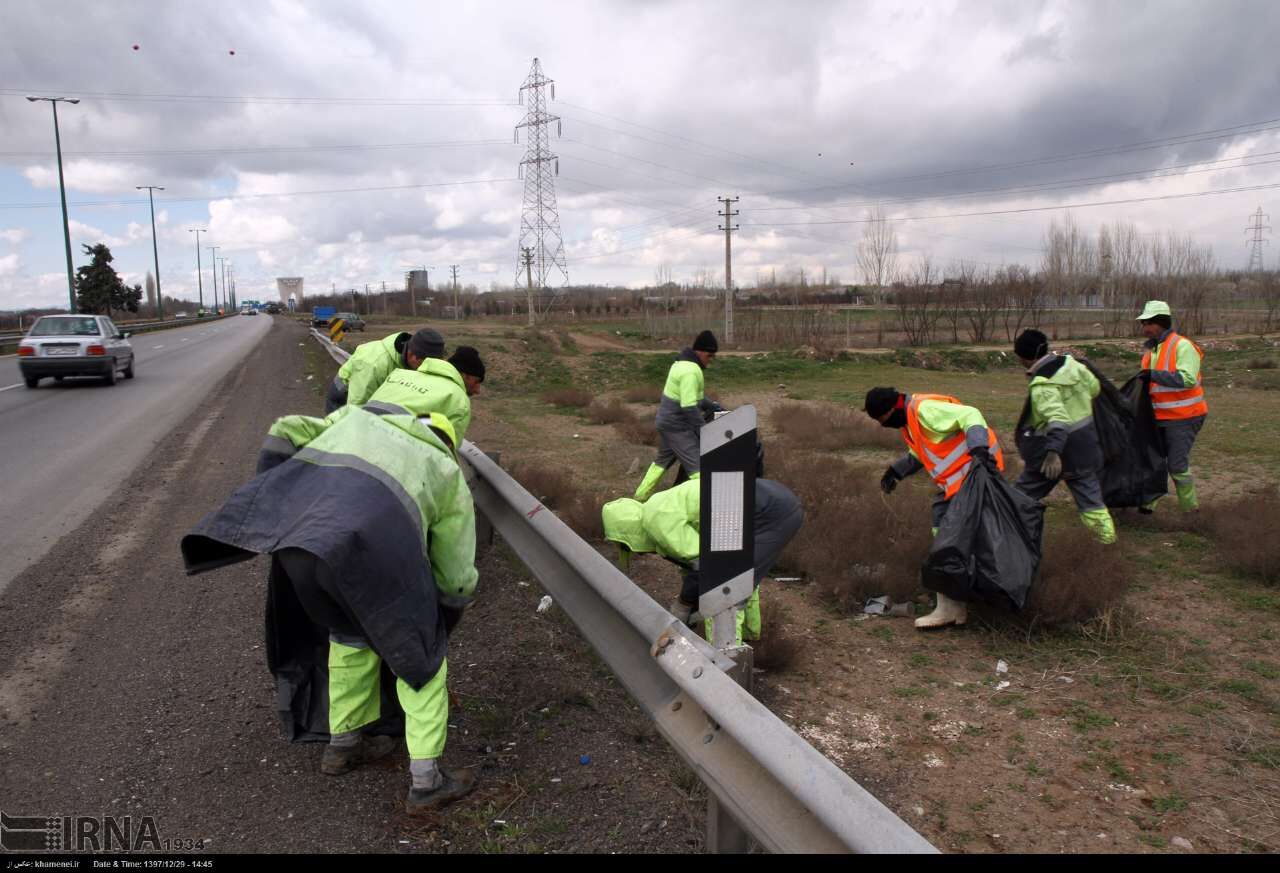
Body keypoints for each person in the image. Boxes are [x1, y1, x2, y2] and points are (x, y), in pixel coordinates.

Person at [181, 396, 478, 814]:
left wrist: (274, 501)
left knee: (350, 636)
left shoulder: (353, 420)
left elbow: (284, 424)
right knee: (423, 662)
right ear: (447, 443)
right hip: (369, 552)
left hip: (303, 547)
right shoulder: (444, 469)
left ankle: (344, 746)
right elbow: (456, 570)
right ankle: (427, 782)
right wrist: (445, 617)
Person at [864, 386, 1005, 629]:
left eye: (882, 420)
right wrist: (896, 471)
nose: (882, 425)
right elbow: (922, 451)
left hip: (976, 478)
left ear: (892, 409)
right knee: (948, 537)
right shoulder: (910, 420)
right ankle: (954, 605)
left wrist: (980, 451)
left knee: (952, 542)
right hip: (960, 485)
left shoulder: (925, 410)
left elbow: (971, 414)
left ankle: (955, 606)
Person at [602, 477, 803, 646]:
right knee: (740, 573)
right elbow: (698, 561)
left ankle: (725, 660)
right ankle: (750, 637)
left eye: (628, 548)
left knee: (724, 586)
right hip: (774, 501)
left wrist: (683, 604)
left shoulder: (657, 520)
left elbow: (710, 566)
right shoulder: (659, 508)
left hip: (769, 514)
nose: (640, 554)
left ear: (630, 535)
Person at [1012, 329, 1116, 544]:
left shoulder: (1043, 385)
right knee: (1091, 503)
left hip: (1054, 453)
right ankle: (1106, 542)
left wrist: (1053, 454)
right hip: (1085, 447)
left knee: (1019, 496)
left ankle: (1009, 534)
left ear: (1024, 357)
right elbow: (1095, 389)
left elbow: (1057, 421)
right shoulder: (1072, 365)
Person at [1136, 300, 1208, 512]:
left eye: (1148, 323)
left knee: (1176, 466)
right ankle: (1148, 505)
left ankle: (1190, 510)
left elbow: (1188, 379)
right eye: (1143, 323)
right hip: (1160, 417)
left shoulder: (1183, 346)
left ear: (1161, 323)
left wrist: (1153, 375)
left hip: (1185, 417)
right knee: (1155, 462)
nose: (1145, 328)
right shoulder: (1151, 350)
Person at [634, 330, 722, 501]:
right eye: (710, 355)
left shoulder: (683, 363)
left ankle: (638, 498)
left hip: (667, 423)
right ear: (701, 351)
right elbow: (689, 407)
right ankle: (702, 507)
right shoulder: (690, 371)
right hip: (676, 427)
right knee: (699, 469)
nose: (710, 361)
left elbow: (696, 398)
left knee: (661, 462)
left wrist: (714, 406)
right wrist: (704, 432)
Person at [362, 346, 480, 445]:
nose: (478, 390)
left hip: (355, 435)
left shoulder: (399, 374)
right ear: (465, 376)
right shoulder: (458, 399)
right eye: (476, 382)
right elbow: (447, 451)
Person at [324, 327, 446, 413]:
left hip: (372, 393)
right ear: (413, 356)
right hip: (343, 398)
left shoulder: (411, 358)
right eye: (425, 364)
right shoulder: (374, 364)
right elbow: (357, 405)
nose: (426, 369)